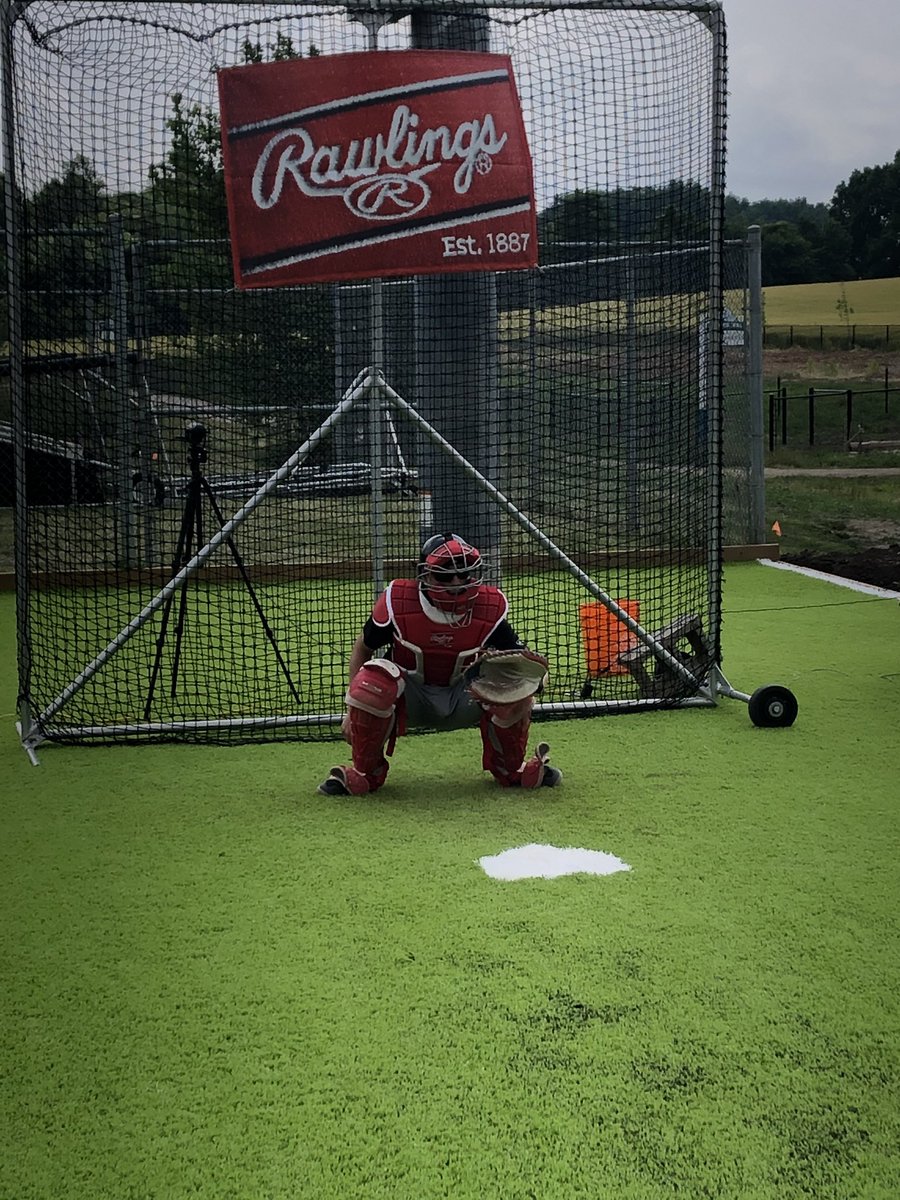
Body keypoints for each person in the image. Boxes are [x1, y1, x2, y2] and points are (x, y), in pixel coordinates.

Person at [318, 532, 563, 796]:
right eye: (445, 575)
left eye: (464, 574)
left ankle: (511, 769)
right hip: (409, 698)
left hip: (466, 696)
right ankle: (366, 773)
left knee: (517, 690)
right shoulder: (397, 601)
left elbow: (521, 662)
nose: (457, 583)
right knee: (372, 681)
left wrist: (534, 681)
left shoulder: (490, 607)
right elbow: (363, 648)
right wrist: (350, 712)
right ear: (424, 574)